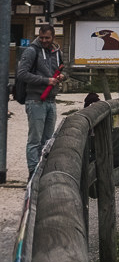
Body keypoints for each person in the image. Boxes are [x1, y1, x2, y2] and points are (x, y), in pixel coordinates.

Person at [16, 24, 68, 178]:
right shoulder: (31, 51)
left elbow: (65, 70)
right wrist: (46, 80)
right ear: (38, 35)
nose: (44, 40)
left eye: (47, 38)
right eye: (42, 37)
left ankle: (44, 171)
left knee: (48, 140)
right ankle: (32, 174)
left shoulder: (58, 52)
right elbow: (22, 74)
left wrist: (62, 77)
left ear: (53, 37)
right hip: (35, 100)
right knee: (35, 140)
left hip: (51, 100)